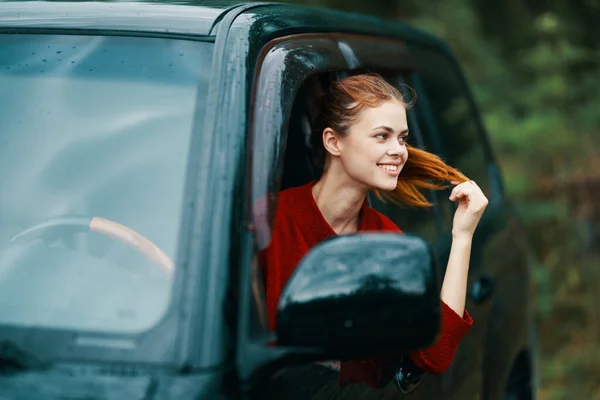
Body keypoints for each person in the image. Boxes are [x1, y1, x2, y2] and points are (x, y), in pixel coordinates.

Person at [258, 73, 488, 389]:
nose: (399, 150)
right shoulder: (267, 218)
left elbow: (435, 356)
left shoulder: (388, 243)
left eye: (403, 138)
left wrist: (462, 236)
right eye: (382, 136)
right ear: (333, 141)